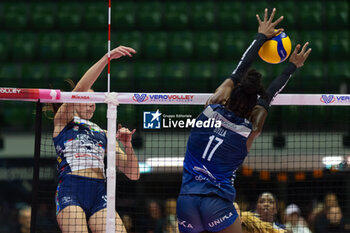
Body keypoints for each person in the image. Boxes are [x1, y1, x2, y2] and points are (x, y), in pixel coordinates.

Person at [176, 8, 311, 233]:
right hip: (216, 204)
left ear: (229, 97)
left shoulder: (211, 107)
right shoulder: (250, 130)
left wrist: (260, 37)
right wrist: (291, 67)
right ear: (252, 108)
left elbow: (238, 71)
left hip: (186, 202)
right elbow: (270, 95)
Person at [53, 46, 140, 233]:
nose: (92, 103)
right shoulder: (63, 121)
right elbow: (80, 88)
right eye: (87, 98)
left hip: (100, 192)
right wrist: (106, 58)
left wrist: (127, 146)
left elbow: (133, 174)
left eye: (95, 100)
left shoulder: (104, 133)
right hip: (71, 189)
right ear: (76, 99)